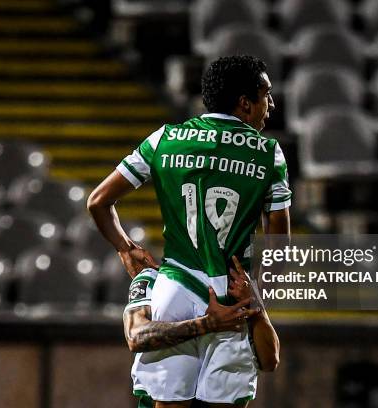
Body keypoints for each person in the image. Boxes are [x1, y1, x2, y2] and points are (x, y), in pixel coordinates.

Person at [88, 55, 291, 407]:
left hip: (173, 289)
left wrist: (126, 248)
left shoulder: (163, 139)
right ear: (245, 103)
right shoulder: (269, 154)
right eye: (265, 94)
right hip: (231, 296)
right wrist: (258, 295)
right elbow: (280, 248)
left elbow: (98, 202)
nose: (270, 104)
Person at [123, 257, 279, 408]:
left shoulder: (237, 290)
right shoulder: (155, 280)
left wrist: (255, 305)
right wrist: (208, 324)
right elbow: (136, 336)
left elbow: (270, 361)